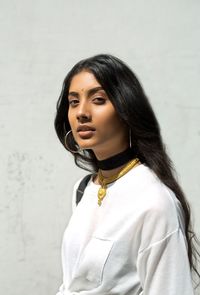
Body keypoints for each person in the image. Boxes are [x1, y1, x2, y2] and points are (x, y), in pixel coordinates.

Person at [54, 54, 199, 294]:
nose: (81, 112)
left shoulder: (154, 202)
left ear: (125, 108)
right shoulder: (83, 190)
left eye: (98, 99)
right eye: (73, 101)